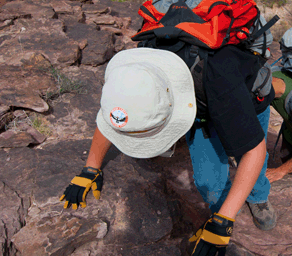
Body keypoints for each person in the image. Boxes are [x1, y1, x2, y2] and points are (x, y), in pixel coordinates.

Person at [60, 46, 276, 255]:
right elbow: (115, 116)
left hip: (246, 95)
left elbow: (254, 151)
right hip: (203, 98)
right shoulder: (136, 73)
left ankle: (258, 195)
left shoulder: (220, 81)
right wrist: (90, 167)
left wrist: (224, 222)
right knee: (208, 180)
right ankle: (221, 207)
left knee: (249, 155)